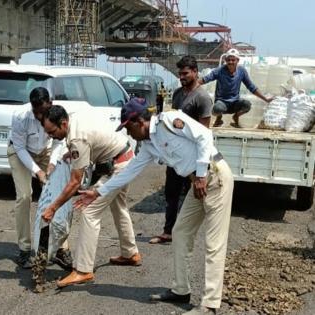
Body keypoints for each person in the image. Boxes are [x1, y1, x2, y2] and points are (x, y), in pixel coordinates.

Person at [75, 98, 234, 315]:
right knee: (180, 232)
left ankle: (210, 304)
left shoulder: (169, 120)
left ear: (139, 121)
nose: (128, 134)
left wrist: (201, 175)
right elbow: (130, 171)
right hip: (197, 183)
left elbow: (205, 135)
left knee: (214, 243)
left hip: (214, 176)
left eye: (128, 128)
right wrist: (97, 192)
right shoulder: (149, 145)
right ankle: (181, 290)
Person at [40, 105, 141, 288]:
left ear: (63, 123)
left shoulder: (77, 138)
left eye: (52, 132)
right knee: (118, 206)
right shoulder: (73, 119)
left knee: (89, 211)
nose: (50, 136)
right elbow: (92, 141)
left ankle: (83, 270)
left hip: (118, 166)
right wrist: (74, 154)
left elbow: (75, 182)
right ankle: (130, 253)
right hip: (124, 157)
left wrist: (53, 208)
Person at [150, 55, 213, 245]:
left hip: (192, 157)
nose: (182, 77)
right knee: (171, 193)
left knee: (193, 195)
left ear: (195, 72)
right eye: (180, 74)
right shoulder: (178, 94)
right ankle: (168, 231)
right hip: (176, 154)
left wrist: (199, 167)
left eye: (185, 73)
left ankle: (188, 233)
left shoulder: (202, 98)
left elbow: (204, 132)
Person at [7, 87, 71, 270]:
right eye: (35, 112)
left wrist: (51, 164)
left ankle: (60, 248)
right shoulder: (20, 116)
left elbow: (59, 140)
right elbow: (19, 148)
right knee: (25, 196)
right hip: (20, 152)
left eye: (42, 112)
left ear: (50, 104)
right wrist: (38, 172)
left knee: (56, 196)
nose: (38, 116)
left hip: (46, 151)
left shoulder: (56, 114)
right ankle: (25, 249)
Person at [199, 48, 274, 128]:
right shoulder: (219, 71)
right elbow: (205, 79)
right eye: (228, 60)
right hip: (222, 102)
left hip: (235, 103)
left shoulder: (241, 71)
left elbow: (251, 87)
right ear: (225, 60)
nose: (230, 62)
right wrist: (191, 85)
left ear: (237, 60)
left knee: (247, 105)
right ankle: (219, 118)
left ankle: (236, 116)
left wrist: (265, 99)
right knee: (217, 109)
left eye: (233, 60)